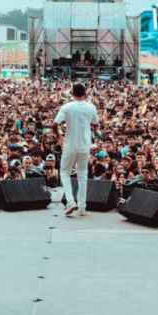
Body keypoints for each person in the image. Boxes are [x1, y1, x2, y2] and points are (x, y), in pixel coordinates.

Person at [53, 83, 99, 217]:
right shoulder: (91, 107)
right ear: (85, 93)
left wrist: (59, 137)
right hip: (85, 145)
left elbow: (55, 124)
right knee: (83, 174)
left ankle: (70, 201)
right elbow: (96, 125)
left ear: (72, 93)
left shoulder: (67, 107)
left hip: (70, 144)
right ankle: (82, 207)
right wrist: (91, 133)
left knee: (64, 172)